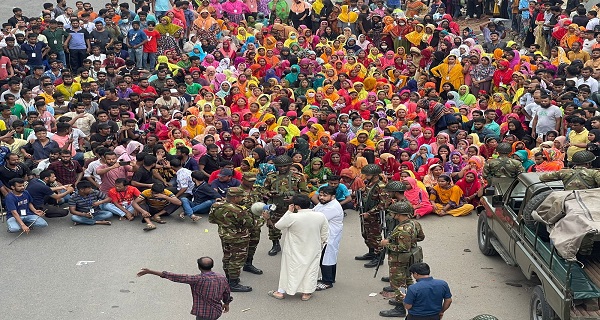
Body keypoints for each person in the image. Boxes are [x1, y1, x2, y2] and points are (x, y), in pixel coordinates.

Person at [266, 194, 329, 301]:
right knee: (311, 270)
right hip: (313, 247)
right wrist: (321, 244)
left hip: (293, 248)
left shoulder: (292, 217)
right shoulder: (320, 216)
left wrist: (289, 211)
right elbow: (325, 233)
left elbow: (278, 226)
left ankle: (281, 292)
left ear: (296, 206)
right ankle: (306, 293)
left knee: (289, 269)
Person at [136, 257, 232, 320]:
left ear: (199, 267)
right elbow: (227, 292)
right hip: (216, 312)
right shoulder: (222, 278)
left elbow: (174, 276)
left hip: (204, 314)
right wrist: (226, 303)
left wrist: (150, 271)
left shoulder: (197, 279)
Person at [379, 201, 425, 318]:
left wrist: (386, 244)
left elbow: (403, 248)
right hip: (410, 259)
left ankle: (400, 307)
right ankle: (409, 300)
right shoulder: (414, 223)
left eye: (393, 213)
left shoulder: (402, 229)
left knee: (398, 284)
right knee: (408, 280)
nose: (391, 215)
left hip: (399, 260)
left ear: (398, 214)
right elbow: (421, 237)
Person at [208, 187, 254, 292]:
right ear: (235, 197)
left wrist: (225, 224)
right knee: (236, 260)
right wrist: (263, 218)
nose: (243, 198)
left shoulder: (216, 205)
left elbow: (211, 220)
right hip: (238, 238)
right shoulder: (238, 210)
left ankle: (229, 278)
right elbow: (251, 224)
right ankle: (233, 284)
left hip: (224, 235)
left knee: (227, 256)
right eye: (241, 196)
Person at [263, 155, 310, 256]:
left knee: (296, 227)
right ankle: (275, 244)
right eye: (280, 166)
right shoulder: (271, 176)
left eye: (285, 166)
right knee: (273, 226)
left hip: (293, 206)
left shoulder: (298, 176)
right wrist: (269, 193)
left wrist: (294, 198)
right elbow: (264, 189)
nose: (282, 168)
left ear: (289, 165)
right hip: (275, 205)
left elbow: (305, 192)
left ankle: (297, 246)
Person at [355, 164, 388, 268]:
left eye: (368, 174)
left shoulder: (380, 186)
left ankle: (378, 258)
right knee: (366, 235)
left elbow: (384, 204)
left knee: (375, 237)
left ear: (374, 175)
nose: (366, 176)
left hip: (375, 216)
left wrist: (369, 213)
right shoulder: (369, 183)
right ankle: (371, 252)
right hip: (366, 214)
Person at [313, 186, 343, 291]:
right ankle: (330, 277)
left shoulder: (333, 207)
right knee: (329, 257)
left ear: (333, 196)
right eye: (320, 195)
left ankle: (327, 282)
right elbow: (313, 211)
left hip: (330, 236)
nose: (321, 197)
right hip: (326, 235)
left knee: (326, 258)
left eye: (325, 196)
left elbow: (317, 218)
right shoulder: (324, 203)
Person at [238, 172, 264, 275]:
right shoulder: (236, 192)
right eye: (250, 181)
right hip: (242, 223)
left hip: (256, 222)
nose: (252, 183)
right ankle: (234, 269)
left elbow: (261, 202)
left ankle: (248, 264)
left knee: (253, 243)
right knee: (240, 245)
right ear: (243, 180)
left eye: (253, 181)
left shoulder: (257, 190)